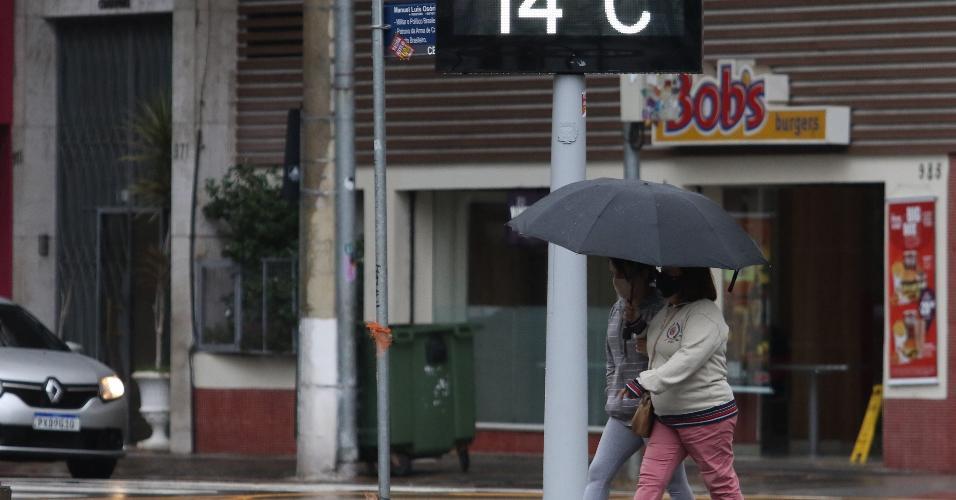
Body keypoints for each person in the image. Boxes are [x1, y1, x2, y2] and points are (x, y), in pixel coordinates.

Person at [624, 266, 743, 500]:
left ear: (689, 278)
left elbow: (687, 359)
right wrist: (637, 323)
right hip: (668, 417)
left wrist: (644, 381)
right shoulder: (670, 310)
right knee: (650, 480)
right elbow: (662, 347)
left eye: (670, 273)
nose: (661, 277)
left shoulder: (705, 313)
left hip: (706, 415)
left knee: (721, 485)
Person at [583, 259, 694, 500]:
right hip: (623, 412)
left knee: (673, 482)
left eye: (619, 275)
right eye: (612, 275)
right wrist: (612, 393)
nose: (615, 282)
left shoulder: (663, 309)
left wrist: (643, 330)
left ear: (639, 276)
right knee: (598, 472)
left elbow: (672, 359)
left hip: (654, 411)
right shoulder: (617, 309)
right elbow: (611, 358)